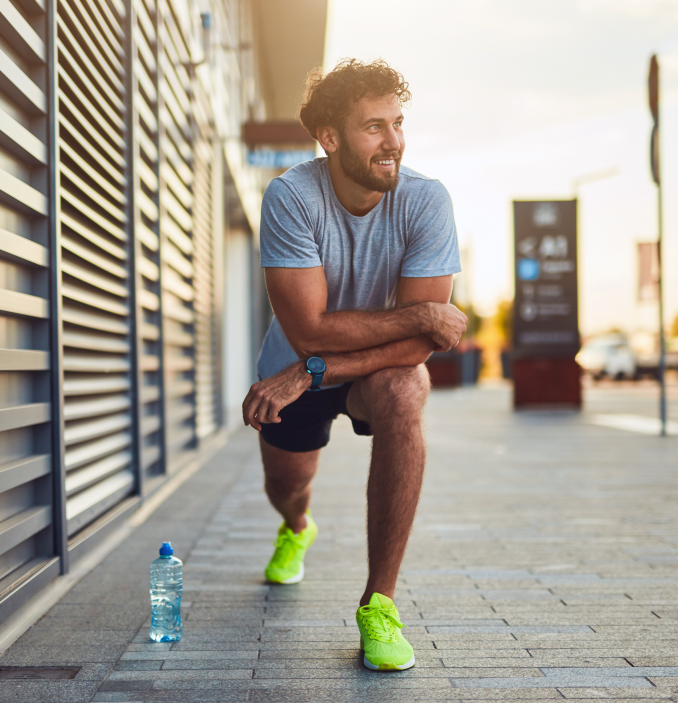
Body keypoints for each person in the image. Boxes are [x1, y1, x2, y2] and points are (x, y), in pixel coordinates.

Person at [241, 59, 467, 671]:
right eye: (374, 127)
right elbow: (310, 330)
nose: (393, 141)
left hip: (338, 372)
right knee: (287, 486)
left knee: (403, 391)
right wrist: (420, 316)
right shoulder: (292, 197)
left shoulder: (426, 201)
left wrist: (313, 371)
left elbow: (421, 350)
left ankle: (379, 603)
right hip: (286, 373)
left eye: (397, 123)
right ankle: (296, 527)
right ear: (330, 137)